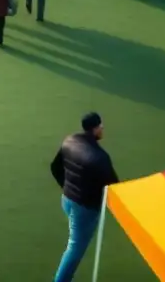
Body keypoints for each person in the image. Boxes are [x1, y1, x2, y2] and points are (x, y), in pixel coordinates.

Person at [50, 112, 119, 282]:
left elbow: (55, 167)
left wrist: (68, 189)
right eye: (101, 125)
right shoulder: (100, 157)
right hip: (85, 209)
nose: (103, 128)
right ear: (95, 128)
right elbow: (114, 187)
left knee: (74, 239)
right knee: (75, 247)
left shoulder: (69, 141)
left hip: (67, 200)